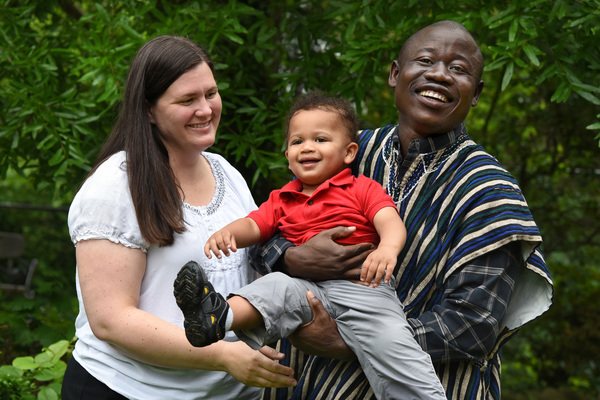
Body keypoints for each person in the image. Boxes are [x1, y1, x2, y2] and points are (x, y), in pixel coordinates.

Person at [255, 21, 554, 400]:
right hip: (308, 383)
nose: (440, 74)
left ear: (476, 93)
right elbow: (263, 233)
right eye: (425, 61)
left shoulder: (490, 190)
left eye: (458, 69)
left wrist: (348, 340)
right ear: (396, 74)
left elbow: (474, 322)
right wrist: (293, 258)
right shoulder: (345, 152)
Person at [61, 35, 296, 400]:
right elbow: (111, 321)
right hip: (127, 391)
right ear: (148, 110)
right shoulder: (115, 187)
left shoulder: (227, 174)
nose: (205, 109)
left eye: (211, 93)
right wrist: (222, 356)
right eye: (187, 100)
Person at [173, 91, 446, 400]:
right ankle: (217, 317)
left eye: (320, 139)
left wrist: (387, 250)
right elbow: (254, 225)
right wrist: (229, 233)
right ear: (288, 156)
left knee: (393, 344)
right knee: (274, 288)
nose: (307, 147)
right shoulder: (281, 199)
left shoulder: (361, 188)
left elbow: (390, 222)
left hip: (363, 289)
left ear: (349, 152)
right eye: (297, 141)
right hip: (305, 287)